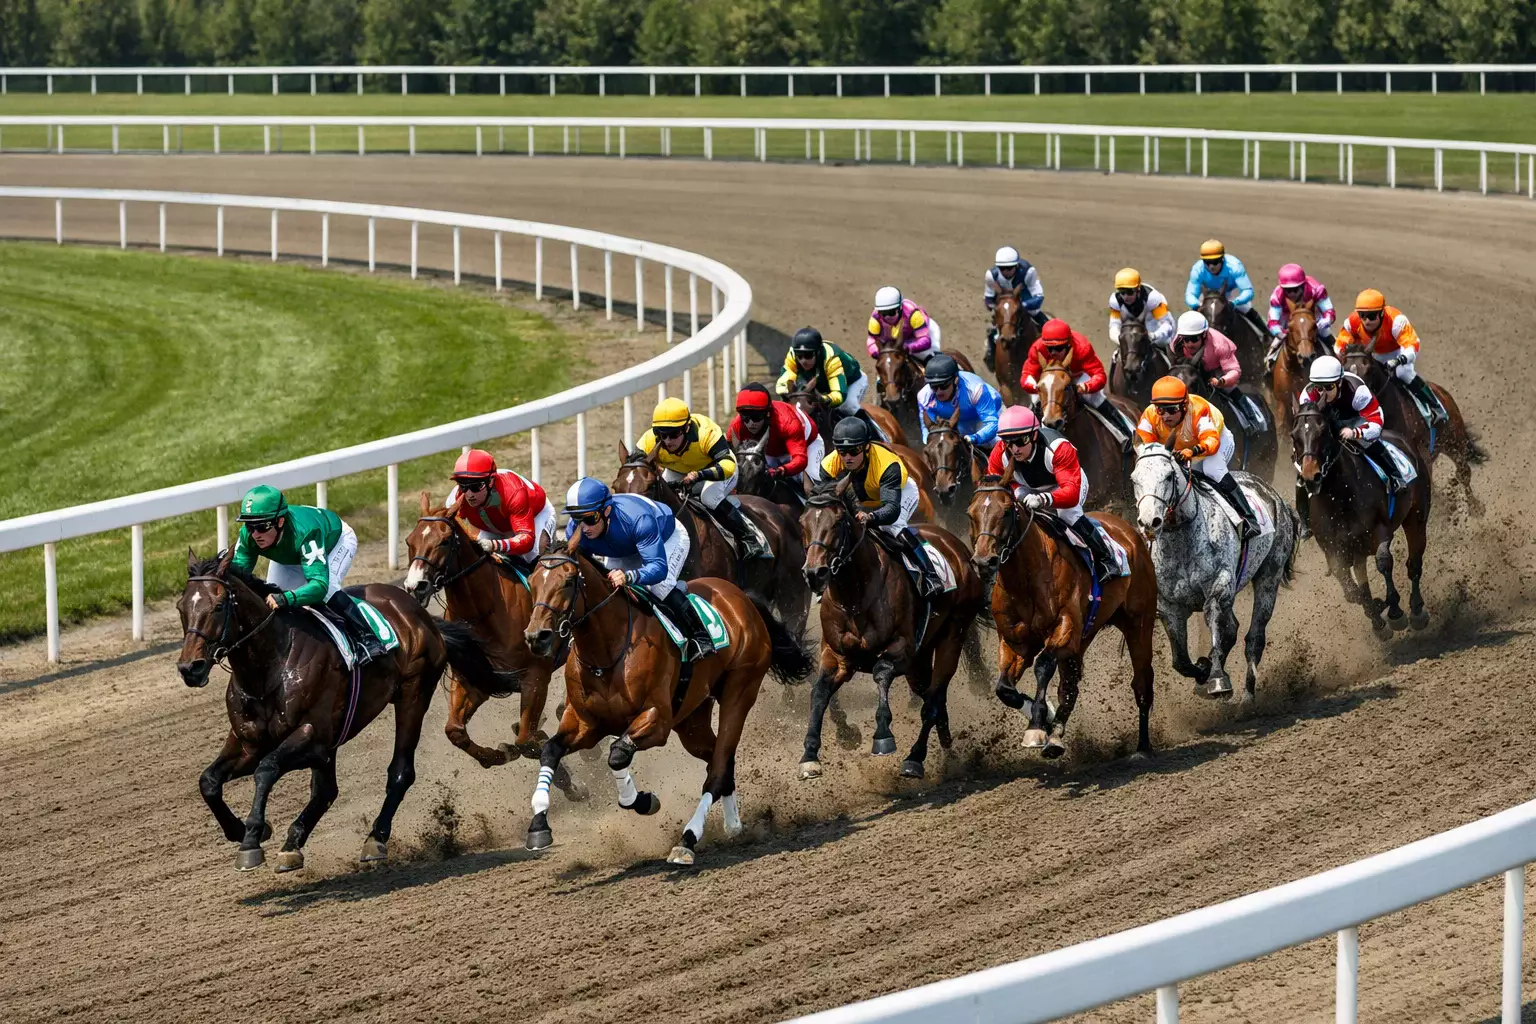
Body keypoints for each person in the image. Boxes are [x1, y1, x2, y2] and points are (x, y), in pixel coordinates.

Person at [230, 484, 386, 664]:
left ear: (280, 521)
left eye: (262, 526)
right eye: (250, 526)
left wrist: (287, 598)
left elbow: (319, 585)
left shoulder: (305, 531)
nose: (255, 534)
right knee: (271, 606)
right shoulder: (248, 535)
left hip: (334, 543)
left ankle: (368, 637)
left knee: (326, 591)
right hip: (291, 555)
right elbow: (237, 576)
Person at [562, 477, 714, 661]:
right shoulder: (575, 529)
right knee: (608, 588)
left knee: (659, 585)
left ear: (607, 511)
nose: (584, 527)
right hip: (622, 547)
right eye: (577, 519)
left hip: (666, 538)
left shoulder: (639, 519)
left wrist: (630, 576)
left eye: (589, 518)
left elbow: (658, 568)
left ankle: (700, 635)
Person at [987, 405, 1118, 577]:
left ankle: (1106, 559)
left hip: (1066, 485)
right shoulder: (999, 454)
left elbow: (1070, 494)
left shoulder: (1058, 448)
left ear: (1034, 435)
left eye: (1020, 441)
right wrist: (1018, 492)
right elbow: (994, 486)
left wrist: (1044, 499)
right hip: (1027, 488)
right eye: (1008, 442)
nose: (1015, 449)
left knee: (1067, 514)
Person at [820, 417, 943, 598]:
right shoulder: (830, 464)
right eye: (842, 451)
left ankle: (930, 576)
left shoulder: (887, 465)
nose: (847, 457)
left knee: (892, 526)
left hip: (900, 494)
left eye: (853, 451)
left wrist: (871, 518)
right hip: (866, 500)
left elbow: (891, 511)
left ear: (867, 447)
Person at [639, 397, 767, 559]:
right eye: (661, 435)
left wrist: (700, 475)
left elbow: (728, 466)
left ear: (686, 428)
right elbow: (634, 464)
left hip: (716, 469)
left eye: (673, 434)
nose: (667, 441)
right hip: (678, 470)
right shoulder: (649, 439)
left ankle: (748, 537)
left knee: (709, 497)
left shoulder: (706, 433)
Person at [1136, 377, 1261, 539]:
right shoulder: (1149, 415)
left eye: (1172, 410)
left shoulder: (1198, 410)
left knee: (1212, 469)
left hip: (1216, 440)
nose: (1165, 416)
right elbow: (1147, 446)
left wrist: (1193, 451)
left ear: (1184, 406)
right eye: (1160, 410)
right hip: (1182, 447)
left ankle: (1249, 519)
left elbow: (1212, 441)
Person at [1297, 355, 1401, 539]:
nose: (1322, 393)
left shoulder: (1357, 391)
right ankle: (1305, 523)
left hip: (1355, 420)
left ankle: (1395, 476)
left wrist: (1356, 433)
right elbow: (1306, 425)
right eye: (1318, 387)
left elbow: (1377, 422)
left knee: (1369, 443)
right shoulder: (1307, 395)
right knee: (1304, 470)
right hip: (1325, 422)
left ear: (1339, 382)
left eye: (1329, 387)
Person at [1333, 288, 1447, 427]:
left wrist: (1399, 360)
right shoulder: (1352, 322)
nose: (1367, 321)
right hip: (1372, 354)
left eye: (1372, 316)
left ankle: (1435, 407)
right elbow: (1340, 344)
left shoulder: (1396, 320)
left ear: (1381, 313)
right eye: (1363, 315)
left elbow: (1412, 345)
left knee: (1403, 372)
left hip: (1398, 352)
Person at [1021, 317, 1139, 438]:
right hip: (1048, 381)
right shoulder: (1037, 348)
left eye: (1059, 348)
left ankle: (1125, 433)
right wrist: (1037, 387)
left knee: (1096, 398)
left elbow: (1099, 375)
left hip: (1076, 377)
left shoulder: (1082, 347)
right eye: (1049, 348)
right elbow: (1026, 376)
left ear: (1068, 344)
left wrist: (1087, 387)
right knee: (1035, 402)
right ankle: (1028, 436)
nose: (1053, 353)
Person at [445, 448, 555, 566]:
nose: (469, 494)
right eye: (463, 486)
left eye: (476, 486)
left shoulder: (514, 493)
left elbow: (527, 540)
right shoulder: (455, 499)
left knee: (534, 556)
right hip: (491, 527)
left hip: (535, 516)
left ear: (491, 481)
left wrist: (495, 545)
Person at [1170, 310, 1264, 434]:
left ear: (1204, 335)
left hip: (1214, 370)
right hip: (1190, 369)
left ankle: (1251, 418)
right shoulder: (1176, 344)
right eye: (1186, 340)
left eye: (1194, 339)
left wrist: (1222, 381)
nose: (1190, 344)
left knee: (1230, 389)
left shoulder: (1219, 345)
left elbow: (1234, 370)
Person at [727, 382, 823, 485]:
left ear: (767, 413)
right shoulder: (736, 425)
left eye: (756, 417)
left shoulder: (786, 422)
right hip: (770, 451)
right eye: (745, 417)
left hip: (807, 445)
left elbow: (801, 459)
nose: (750, 423)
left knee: (810, 486)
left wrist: (781, 470)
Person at [775, 326, 868, 421]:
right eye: (799, 355)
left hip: (851, 382)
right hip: (822, 383)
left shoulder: (831, 359)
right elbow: (785, 379)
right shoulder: (792, 355)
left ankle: (871, 429)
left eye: (808, 355)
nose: (803, 361)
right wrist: (784, 392)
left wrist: (823, 399)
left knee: (848, 406)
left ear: (818, 352)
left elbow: (839, 395)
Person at [916, 353, 1003, 454]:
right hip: (959, 420)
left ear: (956, 380)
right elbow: (927, 429)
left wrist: (975, 438)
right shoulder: (924, 396)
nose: (939, 391)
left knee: (993, 443)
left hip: (985, 415)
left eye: (943, 385)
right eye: (934, 386)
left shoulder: (975, 390)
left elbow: (992, 424)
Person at [982, 245, 1048, 371]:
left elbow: (1039, 296)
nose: (1005, 271)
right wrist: (999, 308)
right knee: (992, 332)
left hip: (1027, 303)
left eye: (1009, 268)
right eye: (1002, 268)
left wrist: (1021, 306)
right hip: (1004, 307)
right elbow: (988, 299)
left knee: (1048, 325)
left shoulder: (1028, 272)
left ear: (1016, 266)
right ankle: (990, 356)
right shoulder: (991, 275)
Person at [1185, 239, 1268, 337]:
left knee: (1246, 308)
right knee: (1190, 317)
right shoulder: (1197, 269)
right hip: (1207, 295)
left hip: (1230, 293)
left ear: (1222, 259)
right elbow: (1190, 295)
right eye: (1207, 262)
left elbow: (1248, 291)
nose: (1211, 266)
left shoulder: (1234, 266)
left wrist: (1234, 303)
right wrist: (1197, 305)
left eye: (1215, 262)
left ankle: (1266, 335)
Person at [1265, 262, 1336, 368]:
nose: (1292, 294)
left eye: (1295, 290)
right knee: (1275, 343)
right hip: (1287, 317)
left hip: (1311, 315)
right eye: (1288, 290)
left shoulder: (1316, 289)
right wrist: (1280, 332)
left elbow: (1329, 311)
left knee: (1325, 333)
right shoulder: (1277, 296)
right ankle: (1269, 364)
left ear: (1303, 286)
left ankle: (1336, 359)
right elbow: (1272, 322)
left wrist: (1326, 321)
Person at [867, 286, 941, 364]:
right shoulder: (875, 318)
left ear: (900, 308)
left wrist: (906, 347)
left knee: (933, 361)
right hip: (894, 343)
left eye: (891, 312)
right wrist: (879, 352)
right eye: (883, 313)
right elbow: (872, 340)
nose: (887, 317)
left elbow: (925, 341)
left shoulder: (912, 314)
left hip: (922, 334)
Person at [1108, 268, 1176, 351]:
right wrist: (1122, 341)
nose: (1125, 297)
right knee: (1117, 356)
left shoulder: (1152, 298)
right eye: (1122, 292)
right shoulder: (1115, 301)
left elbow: (1168, 326)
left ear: (1138, 290)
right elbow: (1114, 326)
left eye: (1130, 292)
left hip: (1153, 327)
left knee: (1163, 343)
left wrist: (1154, 336)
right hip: (1130, 333)